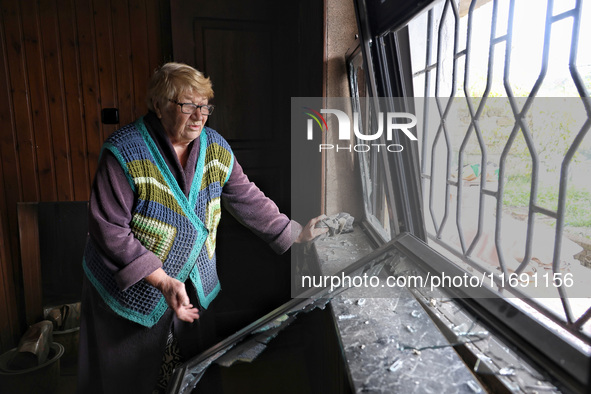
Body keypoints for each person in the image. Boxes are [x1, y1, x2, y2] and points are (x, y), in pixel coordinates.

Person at [77, 62, 326, 394]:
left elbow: (246, 196)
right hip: (132, 290)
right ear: (158, 105)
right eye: (187, 105)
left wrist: (294, 233)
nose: (199, 115)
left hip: (190, 282)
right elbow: (109, 231)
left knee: (191, 373)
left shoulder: (215, 147)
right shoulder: (124, 151)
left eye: (205, 105)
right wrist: (161, 278)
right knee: (130, 377)